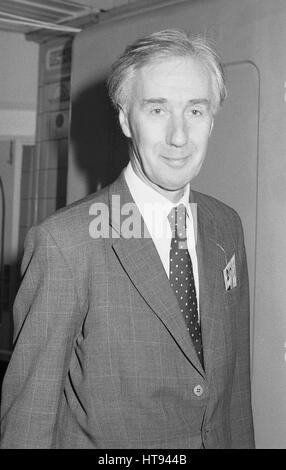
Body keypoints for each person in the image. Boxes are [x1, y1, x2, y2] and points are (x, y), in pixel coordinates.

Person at [0, 29, 255, 449]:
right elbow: (28, 421)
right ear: (124, 119)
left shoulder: (226, 226)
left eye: (195, 111)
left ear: (212, 118)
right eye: (157, 110)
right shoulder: (66, 243)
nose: (178, 137)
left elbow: (235, 392)